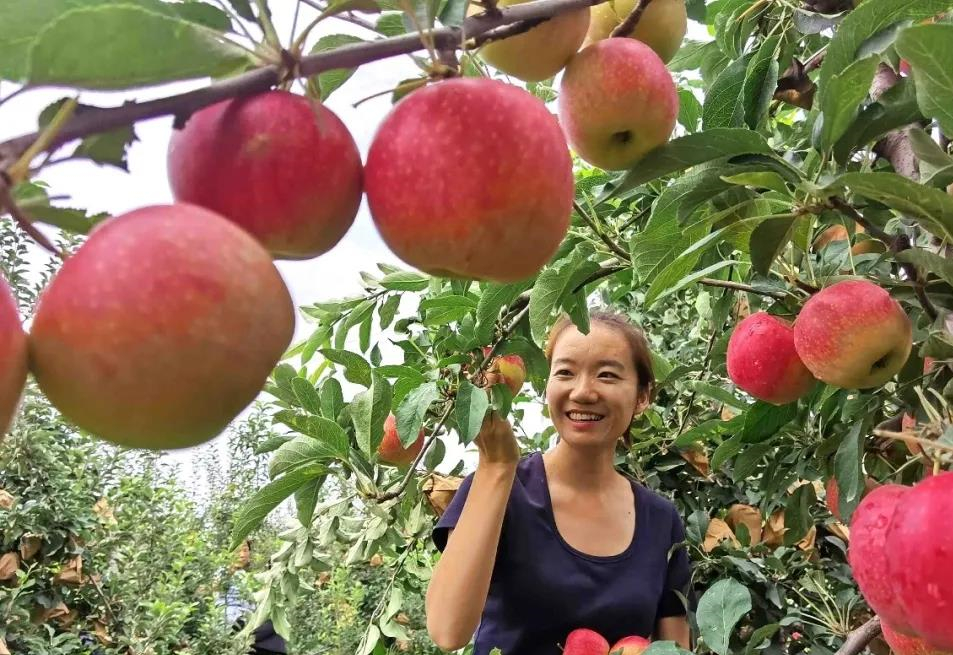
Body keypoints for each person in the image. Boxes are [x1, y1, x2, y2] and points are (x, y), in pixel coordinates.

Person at [426, 311, 694, 654]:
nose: (583, 392)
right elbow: (448, 631)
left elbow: (674, 647)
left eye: (607, 375)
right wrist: (496, 466)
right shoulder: (501, 488)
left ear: (642, 396)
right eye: (565, 372)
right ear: (547, 387)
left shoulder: (661, 520)